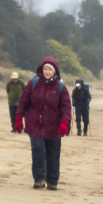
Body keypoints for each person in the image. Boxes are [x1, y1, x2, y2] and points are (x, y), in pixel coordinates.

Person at [14, 57, 72, 190]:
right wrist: (18, 118)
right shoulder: (33, 83)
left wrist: (64, 122)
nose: (47, 72)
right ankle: (39, 179)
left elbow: (66, 107)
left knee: (53, 153)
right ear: (41, 69)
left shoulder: (60, 87)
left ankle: (52, 181)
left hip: (53, 127)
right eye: (45, 69)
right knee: (38, 151)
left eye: (50, 69)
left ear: (55, 71)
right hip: (35, 125)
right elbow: (23, 102)